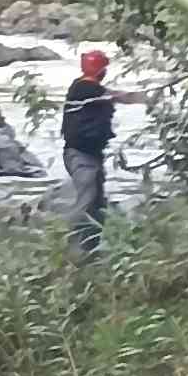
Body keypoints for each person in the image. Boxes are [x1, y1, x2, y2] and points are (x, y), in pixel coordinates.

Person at [58, 48, 117, 253]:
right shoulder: (87, 90)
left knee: (97, 205)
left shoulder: (82, 88)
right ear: (100, 70)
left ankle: (90, 250)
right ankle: (69, 248)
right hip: (82, 156)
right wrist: (141, 97)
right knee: (87, 201)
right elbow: (113, 96)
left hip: (88, 155)